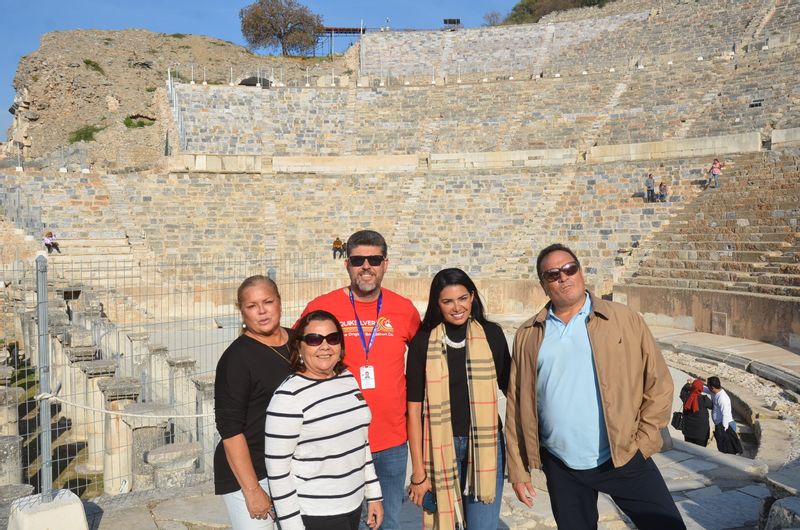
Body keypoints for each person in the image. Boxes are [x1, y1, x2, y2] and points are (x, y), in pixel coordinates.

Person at [505, 243, 685, 530]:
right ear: (543, 284)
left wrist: (644, 441)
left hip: (623, 456)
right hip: (561, 464)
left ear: (581, 271)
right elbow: (517, 403)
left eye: (569, 269)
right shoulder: (528, 334)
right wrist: (517, 468)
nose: (563, 277)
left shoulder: (623, 318)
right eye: (552, 274)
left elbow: (659, 382)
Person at [299, 229, 420, 530]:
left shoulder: (404, 309)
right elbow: (296, 356)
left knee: (387, 522)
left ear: (385, 264)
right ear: (347, 264)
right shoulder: (321, 307)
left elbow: (425, 366)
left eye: (374, 259)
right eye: (358, 260)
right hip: (340, 438)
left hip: (392, 439)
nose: (366, 266)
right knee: (343, 522)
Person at [406, 268, 510, 529]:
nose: (457, 307)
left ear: (472, 297)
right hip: (440, 446)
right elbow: (414, 409)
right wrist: (418, 472)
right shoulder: (423, 342)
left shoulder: (492, 335)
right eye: (447, 301)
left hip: (486, 445)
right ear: (437, 304)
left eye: (462, 298)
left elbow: (513, 390)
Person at [266, 310, 383, 530]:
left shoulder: (348, 379)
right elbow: (278, 470)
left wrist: (374, 495)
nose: (325, 346)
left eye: (333, 338)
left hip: (353, 505)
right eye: (314, 340)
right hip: (316, 513)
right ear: (299, 346)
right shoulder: (288, 397)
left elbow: (360, 443)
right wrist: (292, 526)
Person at [214, 275, 293, 529]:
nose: (261, 311)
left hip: (289, 467)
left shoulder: (300, 342)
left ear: (279, 302)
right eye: (251, 306)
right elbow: (230, 429)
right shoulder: (236, 359)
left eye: (267, 302)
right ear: (242, 311)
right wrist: (252, 489)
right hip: (253, 471)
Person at [707, 376, 741, 454]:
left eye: (708, 385)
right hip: (720, 425)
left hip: (726, 426)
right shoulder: (714, 392)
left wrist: (723, 430)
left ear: (712, 387)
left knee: (728, 450)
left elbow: (725, 414)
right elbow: (705, 389)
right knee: (723, 449)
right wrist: (694, 383)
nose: (707, 387)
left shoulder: (722, 398)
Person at [679, 378, 713, 447]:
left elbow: (682, 392)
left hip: (688, 431)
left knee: (689, 450)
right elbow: (712, 406)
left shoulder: (686, 397)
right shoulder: (704, 399)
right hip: (701, 433)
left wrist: (688, 384)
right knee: (700, 452)